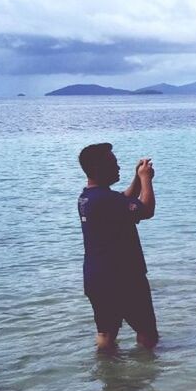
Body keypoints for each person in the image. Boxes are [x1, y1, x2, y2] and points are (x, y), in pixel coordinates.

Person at [77, 143, 158, 351]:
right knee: (147, 333)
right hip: (124, 277)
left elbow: (123, 199)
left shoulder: (88, 197)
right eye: (113, 164)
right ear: (98, 168)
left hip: (97, 278)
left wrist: (136, 179)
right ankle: (145, 377)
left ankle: (110, 379)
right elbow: (147, 209)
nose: (118, 167)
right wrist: (146, 179)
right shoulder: (107, 200)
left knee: (106, 332)